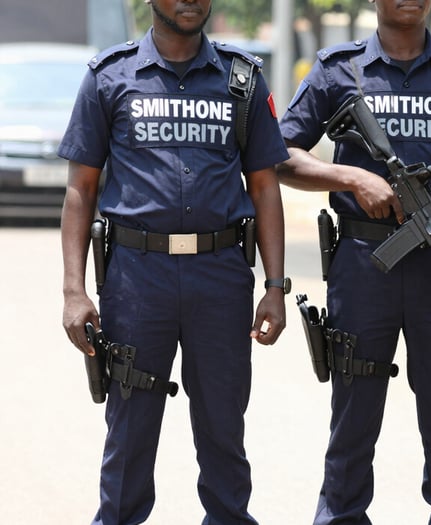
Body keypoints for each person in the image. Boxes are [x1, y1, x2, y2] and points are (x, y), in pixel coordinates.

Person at [278, 0, 431, 523]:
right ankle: (340, 515)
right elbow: (280, 152)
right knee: (354, 416)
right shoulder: (339, 70)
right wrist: (352, 178)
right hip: (365, 265)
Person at [58, 1, 289, 523]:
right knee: (130, 432)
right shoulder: (108, 77)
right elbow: (81, 190)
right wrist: (74, 290)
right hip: (138, 281)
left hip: (221, 276)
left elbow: (265, 188)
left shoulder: (241, 80)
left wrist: (274, 284)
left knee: (224, 429)